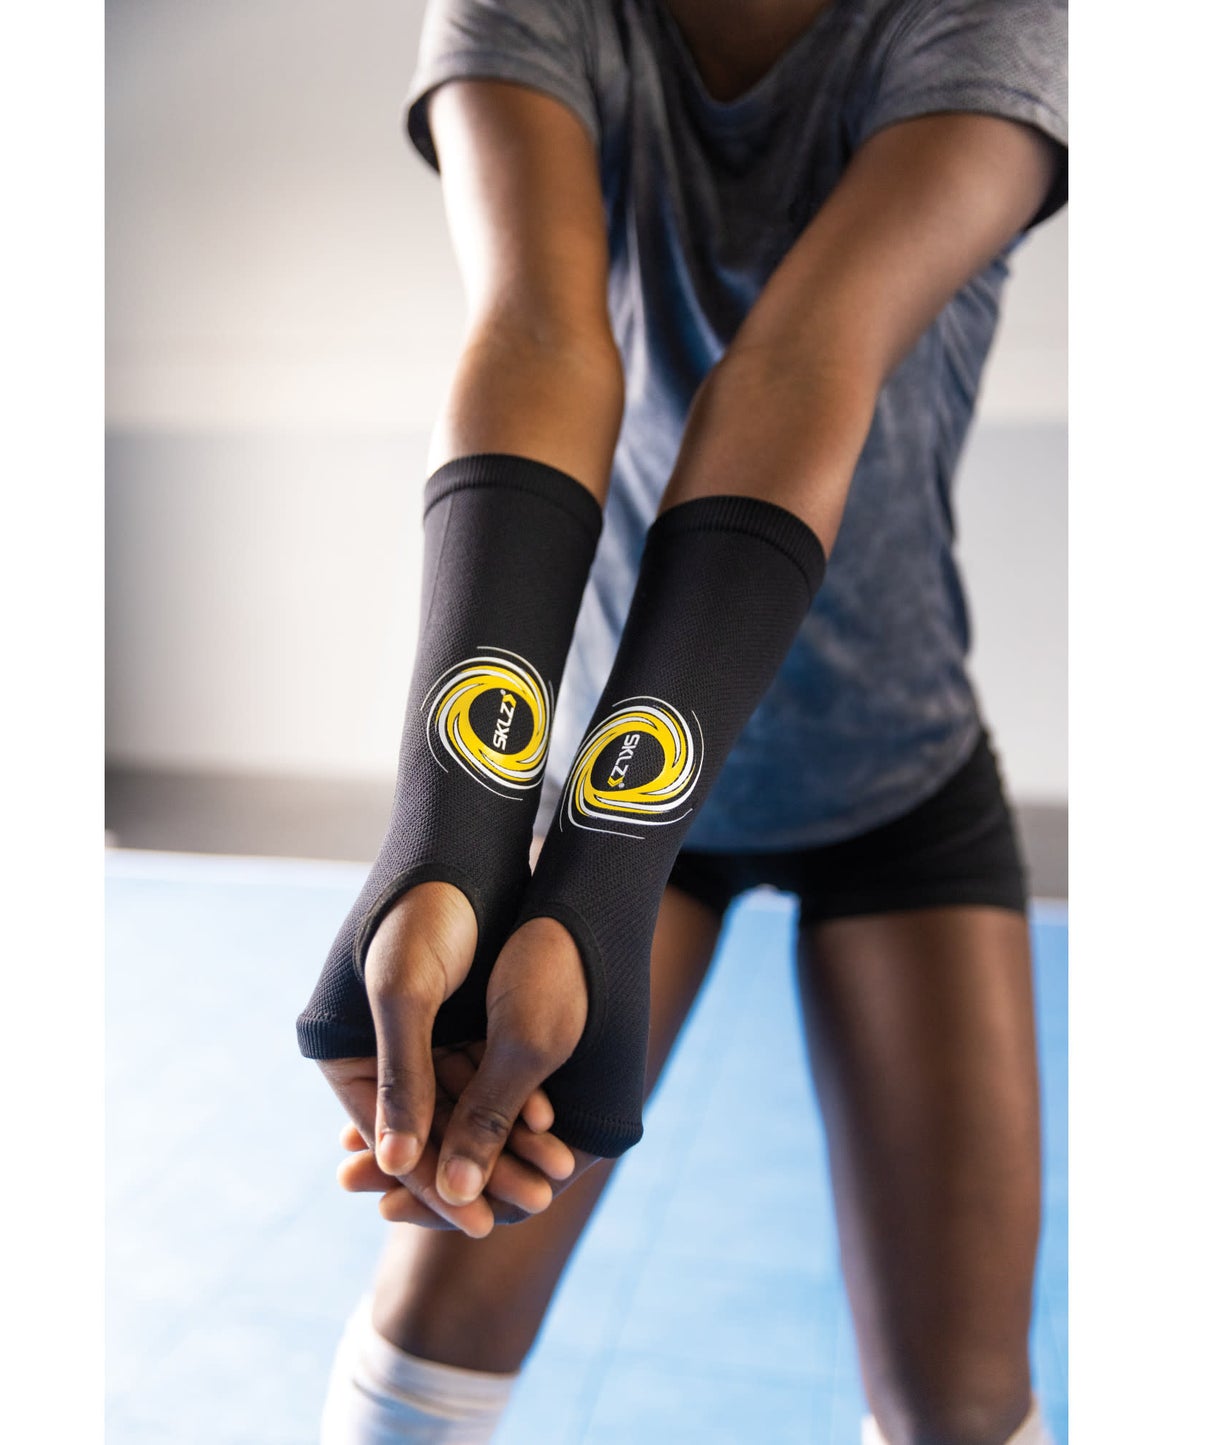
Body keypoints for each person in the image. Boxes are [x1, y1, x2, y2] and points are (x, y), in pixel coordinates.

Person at [296, 0, 1068, 1440]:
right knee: (427, 1333)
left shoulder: (988, 18)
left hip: (890, 771)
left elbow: (797, 363)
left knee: (963, 1404)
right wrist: (451, 845)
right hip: (599, 755)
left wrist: (593, 881)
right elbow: (533, 332)